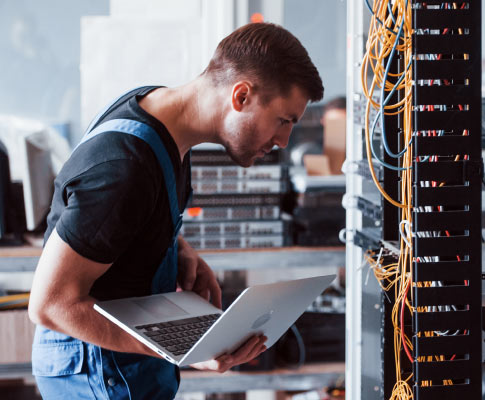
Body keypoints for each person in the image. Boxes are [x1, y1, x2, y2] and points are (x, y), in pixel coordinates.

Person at [27, 22, 323, 399]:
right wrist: (187, 347)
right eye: (284, 121)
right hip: (95, 371)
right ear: (242, 95)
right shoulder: (126, 166)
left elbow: (122, 219)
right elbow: (50, 304)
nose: (284, 141)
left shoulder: (162, 122)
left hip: (122, 366)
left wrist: (178, 249)